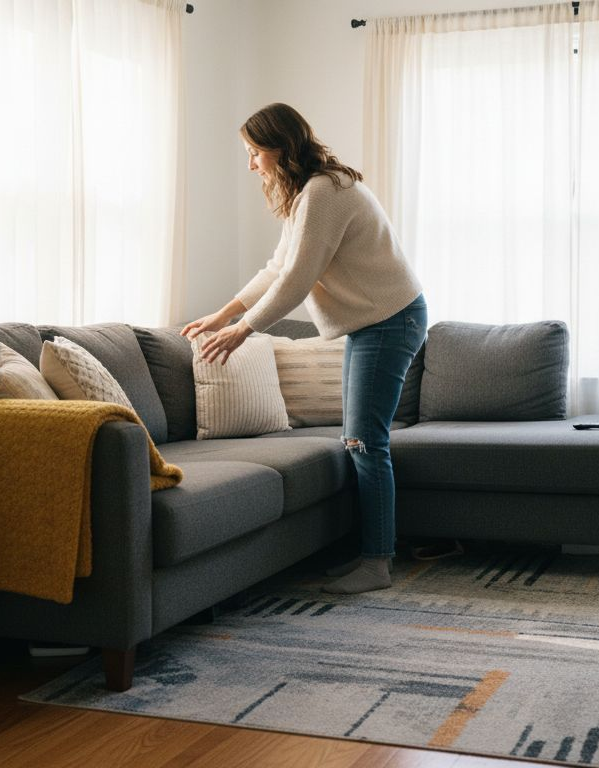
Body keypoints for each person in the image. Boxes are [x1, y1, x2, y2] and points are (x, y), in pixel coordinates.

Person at [182, 103, 426, 595]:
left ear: (280, 148)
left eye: (255, 153)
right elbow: (277, 267)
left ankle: (377, 564)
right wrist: (222, 314)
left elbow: (297, 279)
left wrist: (242, 330)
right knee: (358, 439)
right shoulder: (306, 195)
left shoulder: (324, 192)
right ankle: (371, 555)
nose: (251, 164)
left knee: (364, 440)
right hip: (374, 323)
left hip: (389, 320)